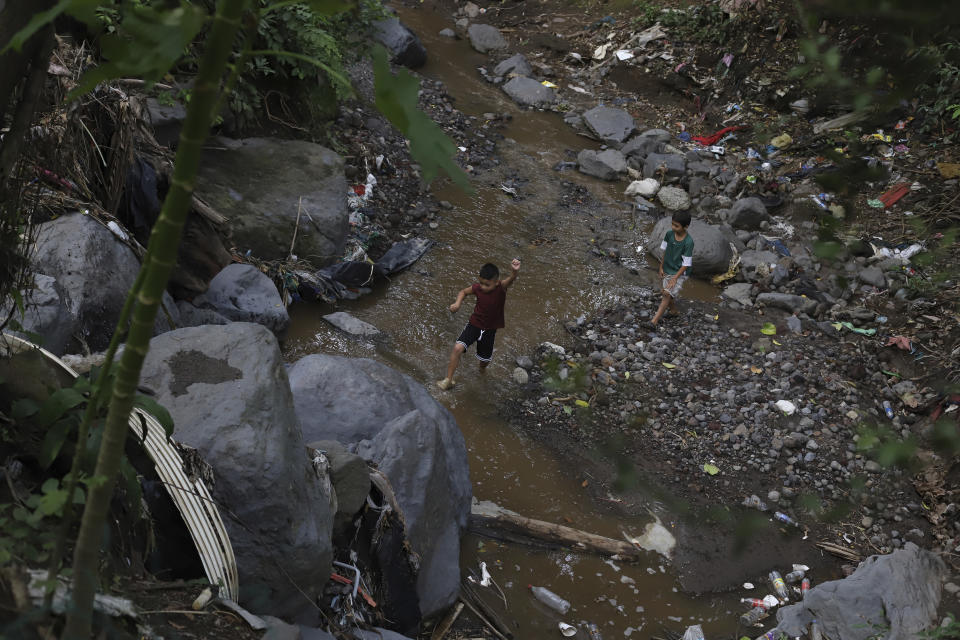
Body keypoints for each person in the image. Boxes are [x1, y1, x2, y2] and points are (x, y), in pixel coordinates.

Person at [437, 258, 521, 390]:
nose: (482, 287)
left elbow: (511, 279)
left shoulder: (501, 288)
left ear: (496, 282)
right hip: (474, 324)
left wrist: (514, 272)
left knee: (484, 361)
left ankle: (482, 371)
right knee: (457, 348)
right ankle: (448, 379)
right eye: (481, 283)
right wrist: (457, 303)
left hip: (490, 330)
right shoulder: (477, 288)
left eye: (487, 285)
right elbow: (463, 292)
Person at [651, 211, 694, 327]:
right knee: (667, 293)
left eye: (676, 226)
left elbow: (686, 264)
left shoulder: (688, 242)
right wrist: (661, 266)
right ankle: (674, 311)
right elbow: (665, 252)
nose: (673, 227)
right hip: (667, 268)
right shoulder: (669, 235)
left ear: (685, 227)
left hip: (679, 272)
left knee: (665, 293)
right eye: (672, 224)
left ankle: (654, 321)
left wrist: (675, 278)